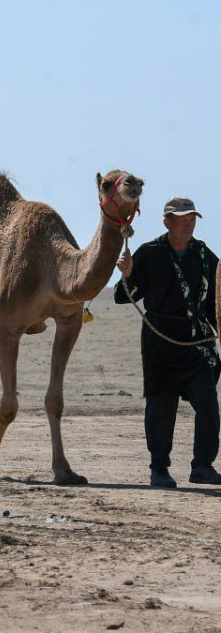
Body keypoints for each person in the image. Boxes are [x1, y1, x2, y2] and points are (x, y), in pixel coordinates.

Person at [115, 196, 220, 488]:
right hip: (159, 344)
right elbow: (124, 295)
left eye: (192, 219)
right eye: (183, 219)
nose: (189, 224)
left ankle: (202, 466)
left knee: (208, 402)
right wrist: (127, 274)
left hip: (195, 343)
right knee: (161, 408)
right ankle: (159, 468)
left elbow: (215, 301)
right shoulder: (149, 253)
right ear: (167, 222)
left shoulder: (204, 255)